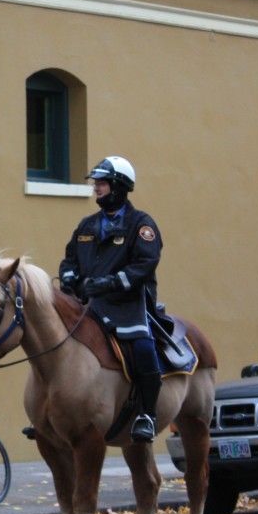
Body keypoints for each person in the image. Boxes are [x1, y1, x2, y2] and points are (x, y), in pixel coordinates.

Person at [58, 156, 164, 443]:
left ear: (119, 186)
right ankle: (54, 415)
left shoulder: (141, 224)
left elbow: (145, 263)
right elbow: (69, 259)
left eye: (102, 183)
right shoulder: (87, 225)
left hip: (127, 304)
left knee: (142, 347)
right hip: (88, 305)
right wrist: (68, 277)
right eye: (95, 183)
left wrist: (111, 282)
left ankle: (147, 415)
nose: (96, 187)